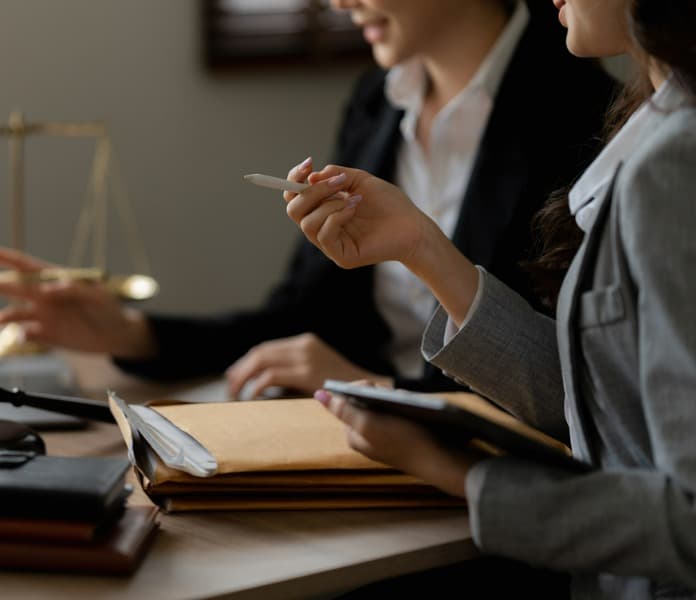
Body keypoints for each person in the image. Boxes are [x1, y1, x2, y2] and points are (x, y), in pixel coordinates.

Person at [0, 0, 616, 399]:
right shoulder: (377, 103)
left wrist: (374, 393)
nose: (335, 3)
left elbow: (563, 391)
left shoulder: (584, 119)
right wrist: (132, 332)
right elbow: (304, 318)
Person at [298, 0, 696, 596]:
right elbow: (606, 410)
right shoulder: (654, 134)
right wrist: (420, 244)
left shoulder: (673, 166)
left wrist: (456, 471)